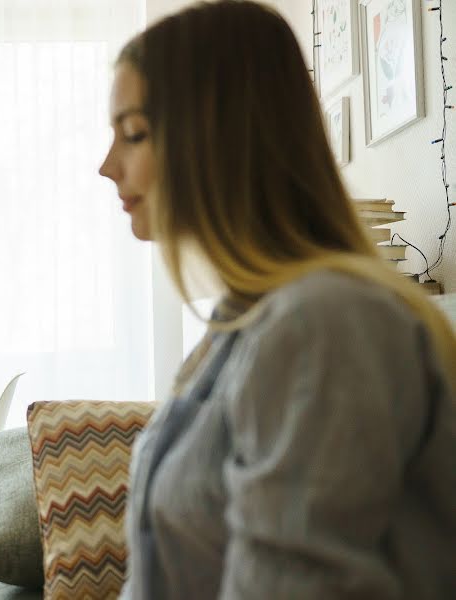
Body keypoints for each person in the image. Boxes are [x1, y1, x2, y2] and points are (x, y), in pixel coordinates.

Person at [98, 2, 456, 598]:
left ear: (215, 138)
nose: (107, 166)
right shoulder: (241, 321)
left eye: (133, 133)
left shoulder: (326, 325)